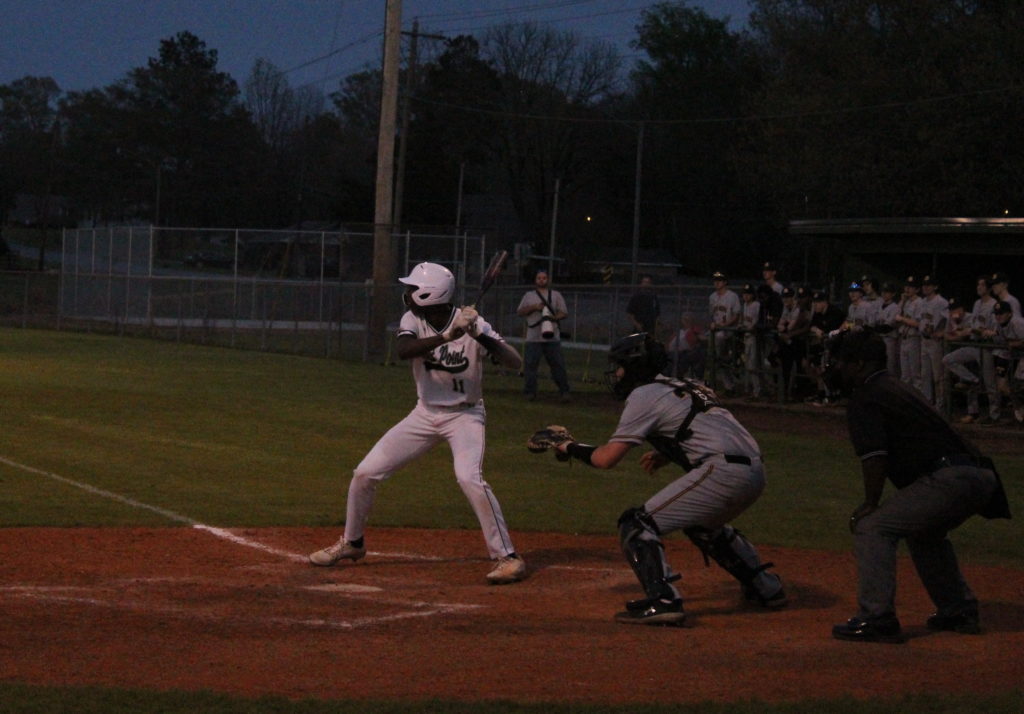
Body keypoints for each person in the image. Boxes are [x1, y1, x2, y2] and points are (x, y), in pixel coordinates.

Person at [309, 262, 528, 584]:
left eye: (413, 289)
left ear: (429, 293)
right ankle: (353, 543)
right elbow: (403, 350)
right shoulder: (414, 319)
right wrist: (447, 335)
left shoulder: (474, 323)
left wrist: (480, 335)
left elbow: (515, 362)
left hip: (465, 415)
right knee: (365, 473)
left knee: (469, 478)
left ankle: (507, 557)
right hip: (425, 413)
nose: (408, 294)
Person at [551, 333, 786, 626]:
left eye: (621, 366)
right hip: (754, 471)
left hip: (722, 472)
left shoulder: (643, 394)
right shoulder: (690, 385)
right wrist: (666, 454)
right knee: (703, 527)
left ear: (636, 366)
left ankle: (664, 600)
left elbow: (606, 458)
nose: (617, 373)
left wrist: (567, 446)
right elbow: (705, 426)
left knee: (636, 523)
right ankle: (766, 586)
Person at [828, 330, 1010, 643]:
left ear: (858, 364)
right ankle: (958, 609)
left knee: (873, 527)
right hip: (978, 475)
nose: (835, 368)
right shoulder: (897, 386)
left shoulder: (867, 393)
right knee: (924, 532)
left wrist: (871, 503)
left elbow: (875, 457)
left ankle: (877, 617)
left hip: (950, 476)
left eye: (840, 362)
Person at [947, 276, 1001, 425]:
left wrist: (974, 330)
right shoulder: (977, 303)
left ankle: (994, 415)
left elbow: (993, 329)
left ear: (989, 288)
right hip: (974, 344)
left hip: (987, 346)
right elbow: (974, 324)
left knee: (990, 383)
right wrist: (965, 331)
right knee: (949, 360)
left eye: (982, 285)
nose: (978, 287)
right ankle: (973, 389)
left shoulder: (994, 304)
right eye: (978, 285)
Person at [517, 269, 571, 401]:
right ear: (535, 280)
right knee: (530, 366)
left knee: (558, 365)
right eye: (539, 278)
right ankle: (530, 392)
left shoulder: (556, 295)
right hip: (533, 337)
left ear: (548, 280)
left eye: (544, 278)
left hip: (552, 337)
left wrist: (552, 318)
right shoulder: (529, 296)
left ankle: (564, 391)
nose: (542, 280)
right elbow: (520, 311)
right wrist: (535, 307)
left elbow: (564, 312)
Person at [804, 290, 846, 405]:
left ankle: (832, 395)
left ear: (825, 302)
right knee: (816, 366)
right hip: (824, 345)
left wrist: (822, 332)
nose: (815, 305)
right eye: (814, 302)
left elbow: (835, 330)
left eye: (818, 302)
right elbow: (811, 326)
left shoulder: (835, 312)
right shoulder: (817, 313)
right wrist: (816, 329)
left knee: (828, 369)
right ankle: (822, 393)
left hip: (837, 346)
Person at [917, 275, 949, 410]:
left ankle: (941, 404)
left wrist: (941, 332)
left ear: (935, 286)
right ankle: (927, 402)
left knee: (938, 375)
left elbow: (947, 320)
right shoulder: (923, 301)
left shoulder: (941, 301)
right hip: (924, 340)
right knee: (925, 374)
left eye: (929, 285)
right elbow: (920, 319)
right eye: (924, 284)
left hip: (936, 341)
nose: (925, 287)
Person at [991, 300, 1024, 424]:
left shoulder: (1017, 323)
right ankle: (1019, 409)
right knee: (1004, 387)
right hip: (1017, 356)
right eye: (996, 313)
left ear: (1009, 314)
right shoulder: (998, 325)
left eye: (1002, 313)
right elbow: (1001, 342)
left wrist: (1015, 344)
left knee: (1019, 386)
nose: (998, 316)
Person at [708, 271, 741, 394]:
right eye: (715, 280)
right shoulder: (712, 297)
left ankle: (732, 364)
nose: (716, 282)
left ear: (725, 282)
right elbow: (711, 316)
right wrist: (713, 324)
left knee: (723, 359)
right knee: (718, 360)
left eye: (720, 280)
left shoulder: (732, 296)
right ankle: (728, 386)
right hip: (717, 332)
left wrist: (725, 325)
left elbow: (737, 315)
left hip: (729, 332)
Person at [775, 286, 809, 400]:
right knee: (784, 365)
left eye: (788, 297)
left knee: (799, 368)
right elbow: (780, 326)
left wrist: (785, 329)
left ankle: (798, 394)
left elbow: (790, 327)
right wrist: (784, 329)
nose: (785, 300)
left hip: (799, 342)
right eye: (784, 297)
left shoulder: (798, 309)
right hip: (788, 342)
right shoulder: (786, 307)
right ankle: (784, 392)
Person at [894, 275, 923, 393]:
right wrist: (902, 301)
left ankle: (919, 401)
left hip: (914, 338)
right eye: (906, 286)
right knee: (905, 375)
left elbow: (918, 323)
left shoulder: (919, 302)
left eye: (911, 287)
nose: (907, 289)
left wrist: (902, 319)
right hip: (904, 338)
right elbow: (895, 316)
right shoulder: (905, 302)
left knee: (916, 374)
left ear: (917, 289)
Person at [739, 284, 763, 400]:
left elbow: (756, 322)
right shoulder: (744, 305)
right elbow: (744, 321)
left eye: (748, 294)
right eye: (744, 294)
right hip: (746, 337)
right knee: (748, 364)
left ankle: (757, 391)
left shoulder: (756, 305)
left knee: (753, 365)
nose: (746, 296)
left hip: (754, 338)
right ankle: (751, 390)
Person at [874, 282, 902, 378]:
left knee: (890, 366)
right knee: (879, 366)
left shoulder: (896, 308)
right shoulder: (879, 306)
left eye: (887, 292)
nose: (884, 294)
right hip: (879, 339)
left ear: (893, 294)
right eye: (883, 292)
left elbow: (886, 328)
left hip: (889, 340)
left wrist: (874, 328)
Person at [666, 313, 706, 380]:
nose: (686, 321)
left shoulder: (693, 330)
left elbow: (702, 338)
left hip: (685, 353)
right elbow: (669, 341)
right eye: (684, 319)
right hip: (672, 353)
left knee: (683, 360)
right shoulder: (679, 331)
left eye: (688, 319)